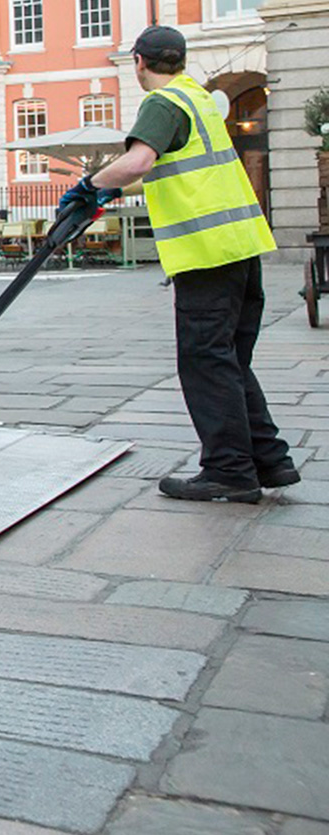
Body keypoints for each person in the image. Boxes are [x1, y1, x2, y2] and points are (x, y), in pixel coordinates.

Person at [59, 25, 294, 503]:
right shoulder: (200, 100)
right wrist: (108, 192)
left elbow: (139, 161)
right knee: (230, 360)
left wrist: (90, 186)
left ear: (139, 62)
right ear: (181, 61)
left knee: (206, 360)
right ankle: (269, 459)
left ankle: (229, 470)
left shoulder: (162, 104)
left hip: (206, 255)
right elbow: (167, 172)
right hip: (240, 247)